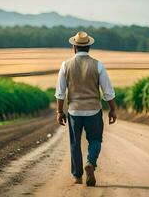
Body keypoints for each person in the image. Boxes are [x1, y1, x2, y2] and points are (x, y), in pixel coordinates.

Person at [54, 31, 117, 186]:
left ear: (74, 47)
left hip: (74, 111)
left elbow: (60, 92)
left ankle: (77, 175)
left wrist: (59, 111)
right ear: (89, 47)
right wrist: (113, 110)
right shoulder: (98, 65)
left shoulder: (65, 65)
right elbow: (107, 91)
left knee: (75, 143)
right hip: (94, 110)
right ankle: (90, 162)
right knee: (95, 139)